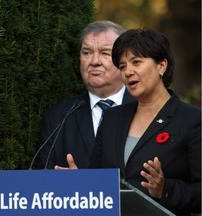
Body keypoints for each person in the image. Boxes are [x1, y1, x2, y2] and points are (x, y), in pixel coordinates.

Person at [55, 28, 201, 215]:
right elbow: (100, 178)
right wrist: (82, 183)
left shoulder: (192, 120)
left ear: (161, 66)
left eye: (136, 62)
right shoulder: (112, 117)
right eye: (122, 66)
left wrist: (165, 189)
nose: (128, 72)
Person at [34, 21, 134, 169]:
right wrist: (74, 184)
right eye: (86, 53)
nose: (94, 62)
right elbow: (43, 177)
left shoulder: (144, 109)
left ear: (123, 60)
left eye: (105, 53)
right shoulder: (58, 118)